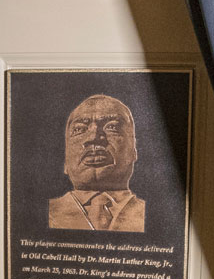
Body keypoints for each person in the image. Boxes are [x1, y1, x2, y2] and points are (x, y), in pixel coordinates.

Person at [48, 93, 147, 232]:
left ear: (134, 150)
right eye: (79, 129)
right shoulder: (42, 214)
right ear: (65, 159)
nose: (93, 137)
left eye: (112, 127)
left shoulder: (157, 216)